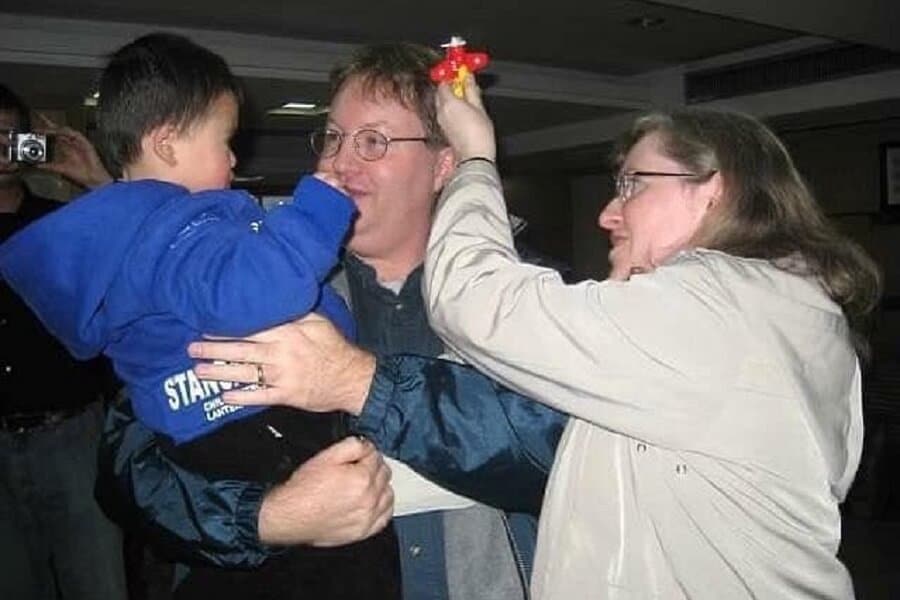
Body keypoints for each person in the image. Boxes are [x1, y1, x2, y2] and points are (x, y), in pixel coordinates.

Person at [194, 78, 884, 599]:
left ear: (713, 192)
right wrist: (269, 515)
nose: (608, 212)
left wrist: (478, 155)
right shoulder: (783, 316)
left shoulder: (714, 313)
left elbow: (479, 311)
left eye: (633, 184)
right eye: (332, 138)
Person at [100, 42, 567, 600]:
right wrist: (266, 516)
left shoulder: (525, 294)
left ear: (443, 165)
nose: (340, 163)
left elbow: (568, 453)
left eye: (373, 141)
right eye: (332, 138)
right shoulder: (243, 287)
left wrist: (352, 379)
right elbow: (130, 467)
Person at [0, 33, 400, 599]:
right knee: (347, 564)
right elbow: (255, 293)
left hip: (202, 428)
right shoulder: (182, 226)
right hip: (247, 421)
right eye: (225, 141)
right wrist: (316, 210)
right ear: (167, 144)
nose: (235, 159)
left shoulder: (136, 235)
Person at [0, 84, 128, 599]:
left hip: (70, 433)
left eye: (11, 134)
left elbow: (137, 246)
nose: (3, 146)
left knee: (98, 582)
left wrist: (94, 178)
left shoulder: (61, 221)